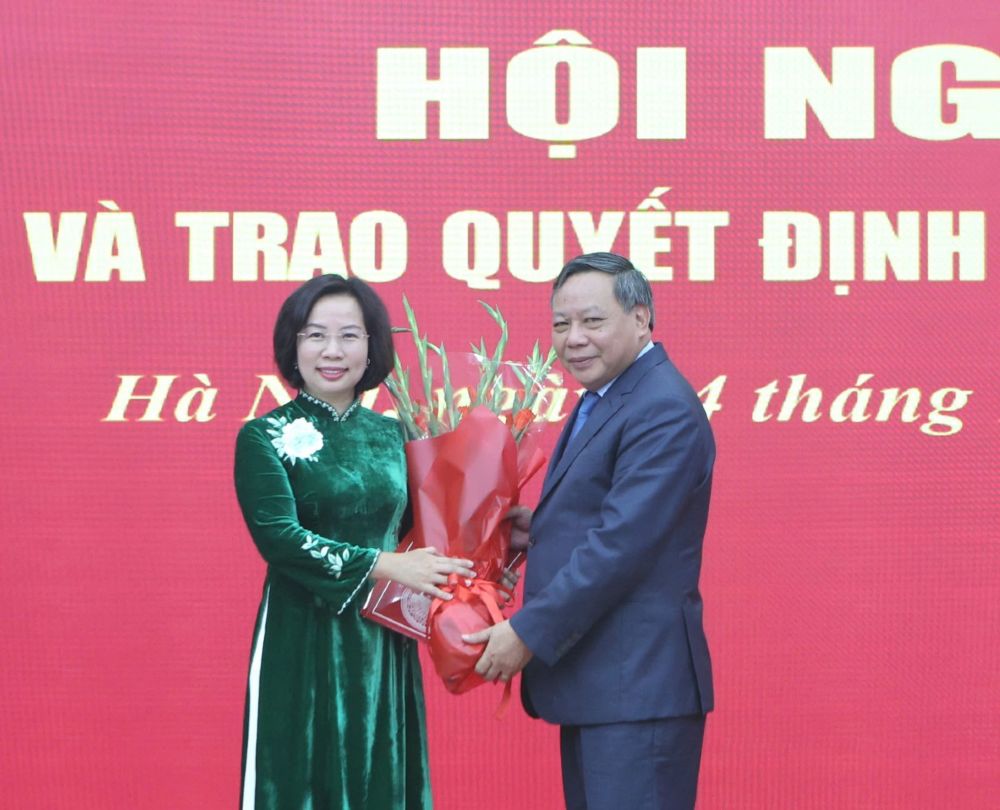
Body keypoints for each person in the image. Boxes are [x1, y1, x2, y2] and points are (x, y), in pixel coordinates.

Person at [464, 253, 716, 810]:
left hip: (637, 689)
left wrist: (525, 633)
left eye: (592, 321)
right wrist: (540, 529)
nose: (573, 339)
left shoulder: (661, 407)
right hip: (605, 687)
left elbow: (620, 547)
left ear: (642, 319)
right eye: (560, 324)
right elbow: (609, 519)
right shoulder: (608, 396)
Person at [234, 274, 475, 810]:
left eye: (350, 335)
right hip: (301, 636)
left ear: (373, 347)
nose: (333, 351)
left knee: (382, 777)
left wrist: (484, 557)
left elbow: (425, 534)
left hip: (381, 639)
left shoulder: (399, 435)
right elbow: (280, 538)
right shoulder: (263, 435)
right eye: (315, 335)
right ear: (292, 345)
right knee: (301, 777)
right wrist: (383, 565)